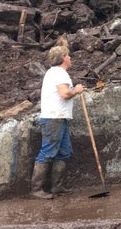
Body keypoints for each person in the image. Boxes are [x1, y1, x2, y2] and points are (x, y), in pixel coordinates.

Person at [30, 45, 85, 199]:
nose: (70, 58)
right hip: (54, 118)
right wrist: (77, 90)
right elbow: (65, 93)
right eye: (68, 55)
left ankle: (57, 187)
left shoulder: (53, 73)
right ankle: (36, 189)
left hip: (58, 117)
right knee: (47, 152)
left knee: (65, 152)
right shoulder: (60, 73)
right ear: (62, 58)